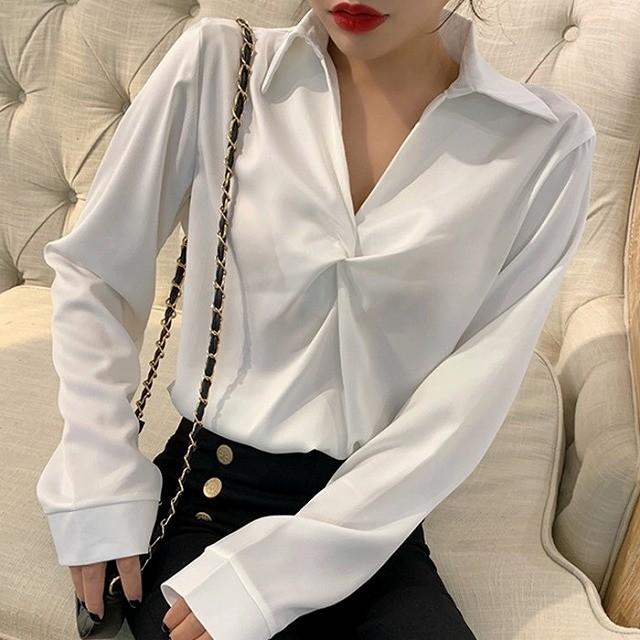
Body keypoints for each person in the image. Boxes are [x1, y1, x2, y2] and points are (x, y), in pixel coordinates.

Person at [36, 0, 597, 638]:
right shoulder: (222, 67)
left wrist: (277, 575)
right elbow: (97, 272)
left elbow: (467, 396)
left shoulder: (544, 144)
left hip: (372, 531)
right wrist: (98, 474)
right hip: (209, 499)